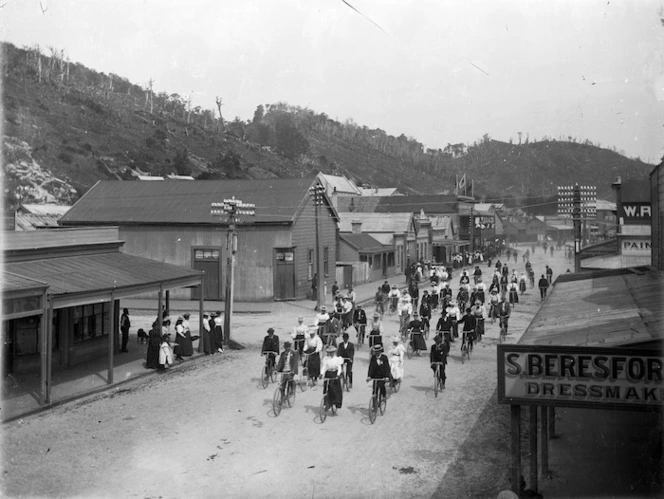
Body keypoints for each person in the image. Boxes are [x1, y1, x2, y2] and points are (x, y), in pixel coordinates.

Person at [321, 345, 344, 410]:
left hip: (335, 374)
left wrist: (338, 374)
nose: (331, 353)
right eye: (330, 352)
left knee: (334, 388)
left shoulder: (337, 359)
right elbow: (324, 367)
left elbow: (339, 368)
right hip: (328, 373)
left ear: (334, 352)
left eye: (332, 352)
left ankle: (335, 402)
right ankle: (326, 402)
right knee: (326, 388)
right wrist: (321, 373)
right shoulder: (326, 359)